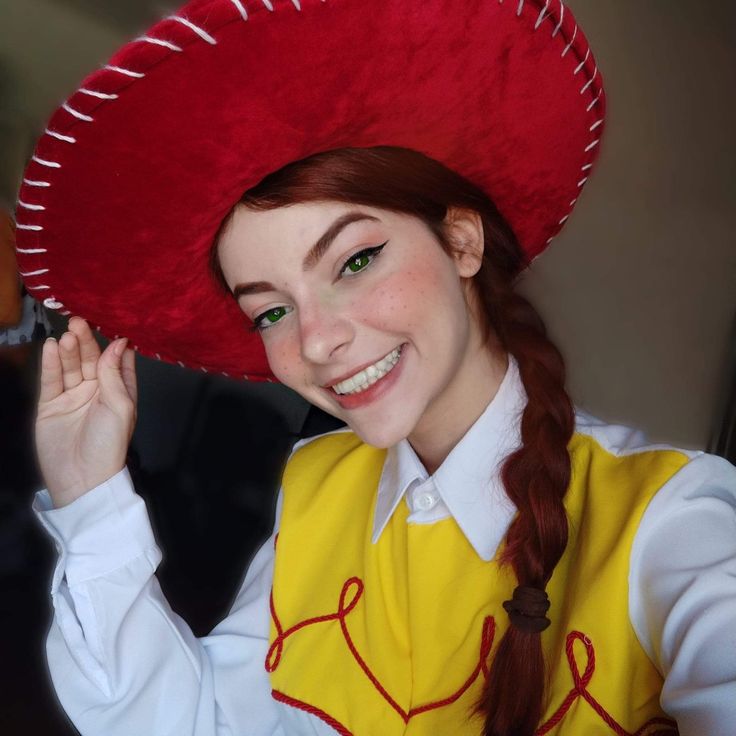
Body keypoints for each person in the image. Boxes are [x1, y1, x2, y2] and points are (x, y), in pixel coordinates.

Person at [16, 1, 736, 735]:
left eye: (355, 261)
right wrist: (90, 496)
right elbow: (198, 721)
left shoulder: (669, 521)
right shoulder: (316, 491)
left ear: (462, 242)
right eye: (270, 311)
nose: (318, 340)